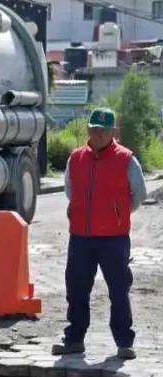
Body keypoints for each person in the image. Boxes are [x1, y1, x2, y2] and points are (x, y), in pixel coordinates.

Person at [52, 107, 146, 359]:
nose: (99, 134)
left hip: (114, 239)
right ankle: (74, 339)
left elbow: (139, 195)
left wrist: (117, 215)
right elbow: (70, 191)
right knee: (77, 288)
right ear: (88, 130)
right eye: (94, 129)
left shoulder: (127, 159)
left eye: (104, 131)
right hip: (81, 236)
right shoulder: (76, 158)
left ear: (113, 132)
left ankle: (124, 343)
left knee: (118, 289)